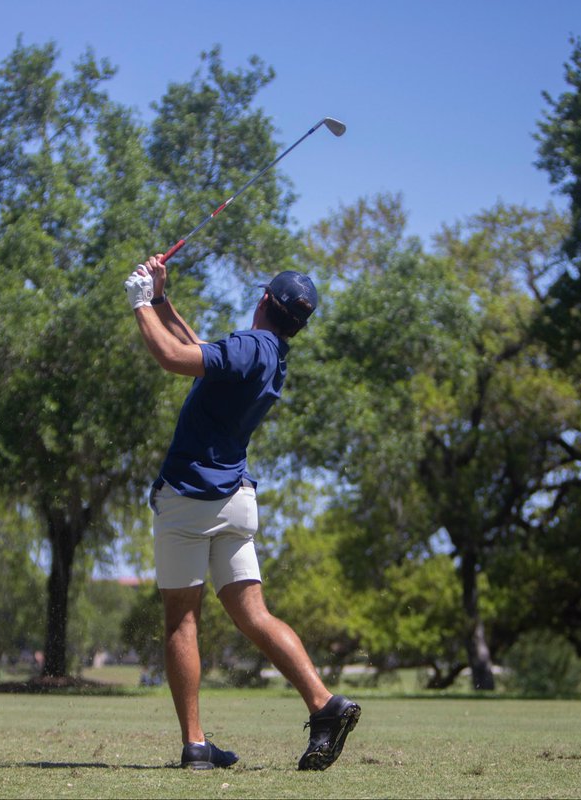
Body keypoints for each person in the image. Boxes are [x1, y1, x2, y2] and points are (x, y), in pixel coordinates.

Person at [124, 255, 361, 771]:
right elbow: (196, 348)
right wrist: (162, 299)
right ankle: (324, 704)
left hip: (190, 497)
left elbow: (171, 357)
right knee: (253, 614)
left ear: (261, 301)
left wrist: (139, 303)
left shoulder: (249, 345)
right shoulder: (270, 353)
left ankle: (195, 744)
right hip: (234, 498)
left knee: (182, 621)